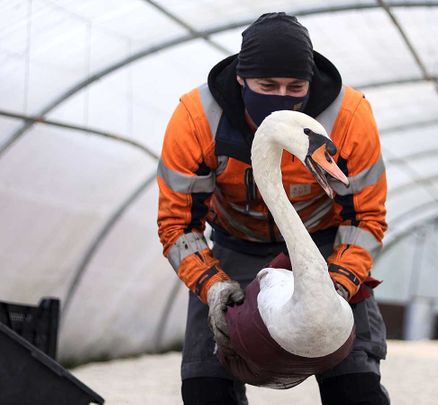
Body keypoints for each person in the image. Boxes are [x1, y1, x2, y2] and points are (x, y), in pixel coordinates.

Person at [157, 12, 389, 405]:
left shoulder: (348, 116)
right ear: (240, 79)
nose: (282, 94)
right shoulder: (196, 119)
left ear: (310, 83)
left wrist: (335, 284)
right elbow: (177, 225)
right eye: (267, 85)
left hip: (322, 248)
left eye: (295, 86)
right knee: (205, 384)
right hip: (234, 248)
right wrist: (212, 287)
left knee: (355, 382)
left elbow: (366, 217)